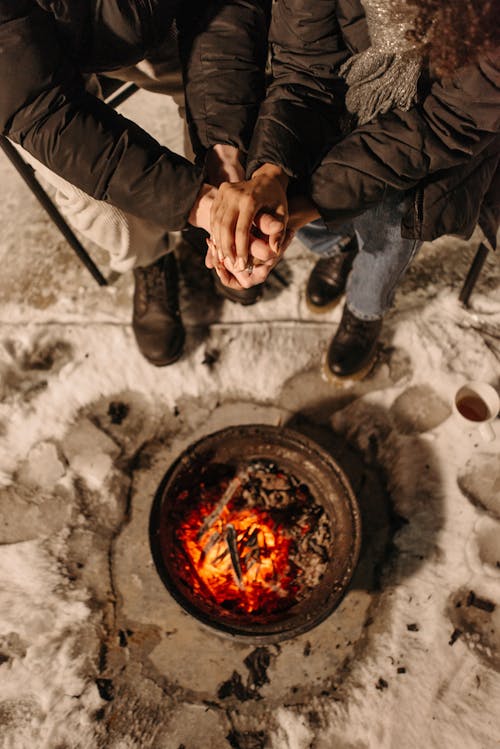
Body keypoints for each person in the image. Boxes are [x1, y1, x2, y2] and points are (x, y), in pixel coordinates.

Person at [207, 0, 500, 380]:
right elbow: (302, 64)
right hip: (340, 106)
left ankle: (364, 309)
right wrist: (271, 176)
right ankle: (337, 248)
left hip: (428, 152)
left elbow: (445, 125)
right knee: (305, 181)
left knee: (387, 233)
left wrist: (309, 204)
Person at [0, 0, 274, 366]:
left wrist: (223, 160)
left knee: (233, 94)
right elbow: (38, 108)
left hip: (154, 16)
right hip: (23, 64)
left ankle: (213, 226)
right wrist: (195, 203)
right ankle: (150, 257)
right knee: (88, 189)